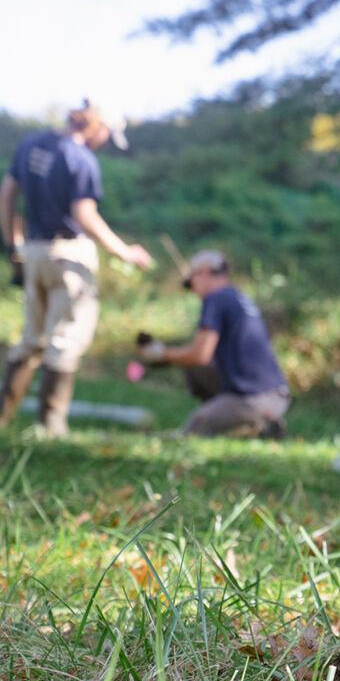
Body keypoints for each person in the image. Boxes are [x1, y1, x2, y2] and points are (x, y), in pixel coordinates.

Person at [0, 99, 154, 435]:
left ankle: (3, 418)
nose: (104, 142)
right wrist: (126, 252)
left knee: (31, 338)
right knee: (66, 339)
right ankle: (51, 426)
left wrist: (15, 243)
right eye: (106, 135)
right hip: (70, 256)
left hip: (34, 250)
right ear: (96, 125)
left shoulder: (31, 144)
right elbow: (85, 215)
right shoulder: (81, 158)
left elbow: (7, 194)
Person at [136, 249, 290, 438]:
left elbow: (200, 355)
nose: (193, 291)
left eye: (190, 283)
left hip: (252, 399)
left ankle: (255, 425)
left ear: (204, 273)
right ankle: (248, 420)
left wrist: (161, 354)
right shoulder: (237, 297)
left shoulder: (215, 299)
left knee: (197, 425)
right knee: (196, 369)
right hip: (277, 395)